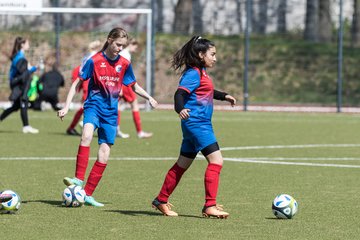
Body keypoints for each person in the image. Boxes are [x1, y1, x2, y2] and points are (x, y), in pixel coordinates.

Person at [57, 27, 158, 207]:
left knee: (104, 155)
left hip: (111, 113)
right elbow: (77, 83)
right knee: (86, 135)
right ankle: (78, 179)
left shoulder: (125, 63)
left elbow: (133, 85)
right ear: (110, 40)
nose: (120, 48)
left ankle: (87, 194)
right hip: (94, 107)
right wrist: (66, 106)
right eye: (118, 44)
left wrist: (149, 97)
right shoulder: (94, 60)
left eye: (123, 46)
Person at [151, 36, 236, 218]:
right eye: (212, 54)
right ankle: (210, 205)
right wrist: (180, 109)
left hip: (195, 126)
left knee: (182, 165)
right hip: (198, 125)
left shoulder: (201, 72)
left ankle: (161, 199)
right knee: (216, 161)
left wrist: (224, 96)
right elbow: (180, 94)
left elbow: (206, 91)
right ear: (200, 54)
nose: (215, 58)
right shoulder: (193, 73)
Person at [0, 37, 39, 134]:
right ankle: (26, 126)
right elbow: (23, 73)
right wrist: (34, 68)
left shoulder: (20, 56)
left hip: (17, 83)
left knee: (16, 106)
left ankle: (25, 126)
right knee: (23, 102)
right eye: (27, 43)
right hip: (18, 84)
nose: (28, 45)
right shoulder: (20, 57)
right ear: (22, 45)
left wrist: (32, 69)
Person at [117, 38, 153, 139]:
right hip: (124, 84)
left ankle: (117, 129)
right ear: (131, 44)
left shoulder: (124, 53)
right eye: (135, 47)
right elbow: (120, 71)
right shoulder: (125, 54)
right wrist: (120, 88)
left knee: (117, 106)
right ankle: (139, 132)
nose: (135, 50)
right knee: (134, 104)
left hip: (122, 83)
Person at [66, 40, 101, 136]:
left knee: (85, 106)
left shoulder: (88, 55)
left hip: (86, 81)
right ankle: (83, 124)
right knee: (88, 105)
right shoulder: (95, 56)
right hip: (89, 82)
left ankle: (72, 127)